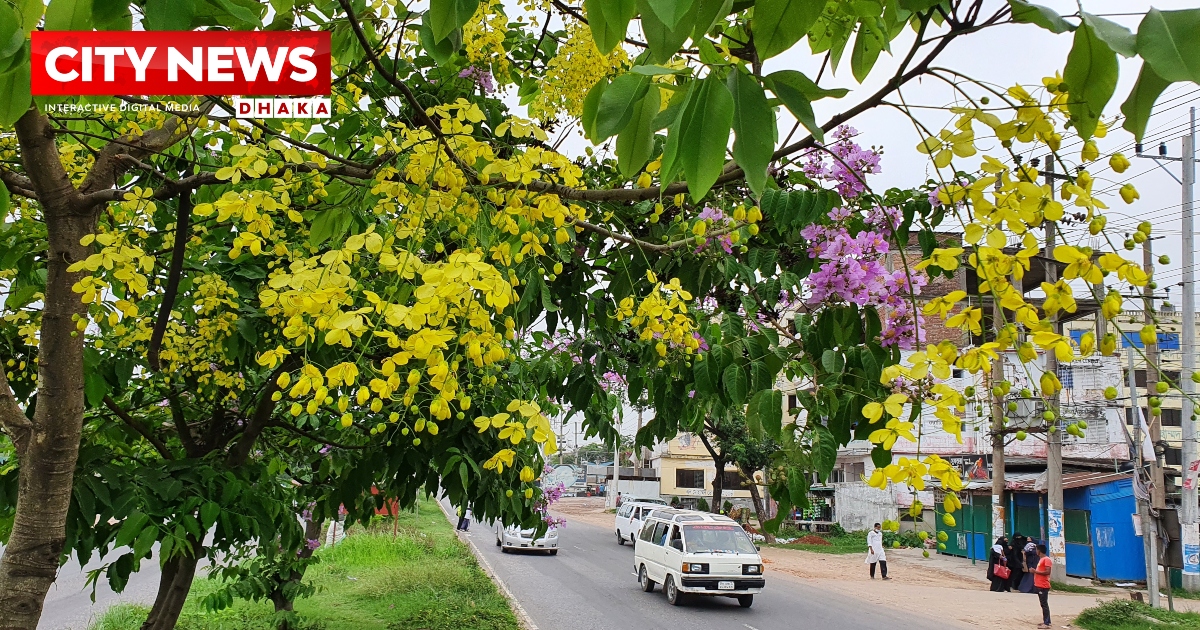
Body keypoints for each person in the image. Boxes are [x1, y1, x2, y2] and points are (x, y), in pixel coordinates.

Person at [1033, 544, 1052, 628]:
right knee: (1043, 603)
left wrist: (1035, 572)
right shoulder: (1041, 559)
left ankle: (1046, 623)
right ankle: (1047, 621)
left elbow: (1048, 572)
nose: (1036, 551)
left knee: (1044, 604)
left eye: (1036, 550)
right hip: (1039, 584)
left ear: (1039, 551)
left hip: (1043, 585)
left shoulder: (1046, 559)